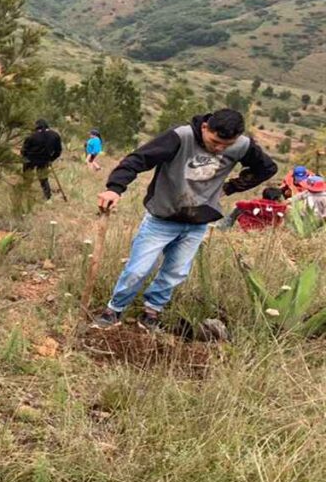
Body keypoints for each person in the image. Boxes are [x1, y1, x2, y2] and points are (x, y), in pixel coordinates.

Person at [92, 109, 277, 332]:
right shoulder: (181, 137)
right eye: (215, 141)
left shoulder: (241, 145)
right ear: (205, 127)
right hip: (162, 217)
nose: (219, 149)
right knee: (137, 270)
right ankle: (114, 309)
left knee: (175, 272)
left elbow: (267, 168)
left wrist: (231, 187)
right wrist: (115, 188)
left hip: (198, 221)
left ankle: (152, 312)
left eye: (226, 145)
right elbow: (138, 159)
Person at [21, 119, 63, 200]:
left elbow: (24, 149)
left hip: (30, 158)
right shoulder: (55, 135)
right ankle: (47, 196)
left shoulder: (32, 135)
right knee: (43, 178)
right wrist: (51, 159)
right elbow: (58, 151)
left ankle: (26, 193)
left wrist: (24, 157)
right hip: (45, 159)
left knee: (27, 175)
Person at [225, 187, 289, 231]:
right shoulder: (281, 207)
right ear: (278, 198)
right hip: (269, 230)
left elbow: (239, 204)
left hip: (250, 228)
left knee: (238, 208)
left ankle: (225, 226)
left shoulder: (255, 203)